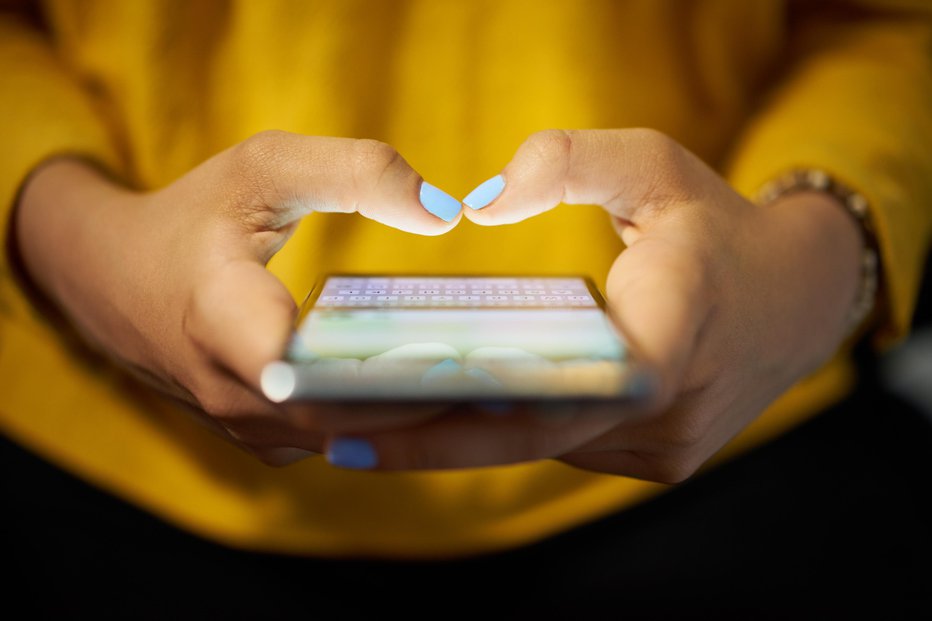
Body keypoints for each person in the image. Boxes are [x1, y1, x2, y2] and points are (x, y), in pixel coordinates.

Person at [2, 0, 931, 617]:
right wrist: (69, 238)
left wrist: (812, 260)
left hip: (745, 448)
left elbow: (888, 24)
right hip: (106, 479)